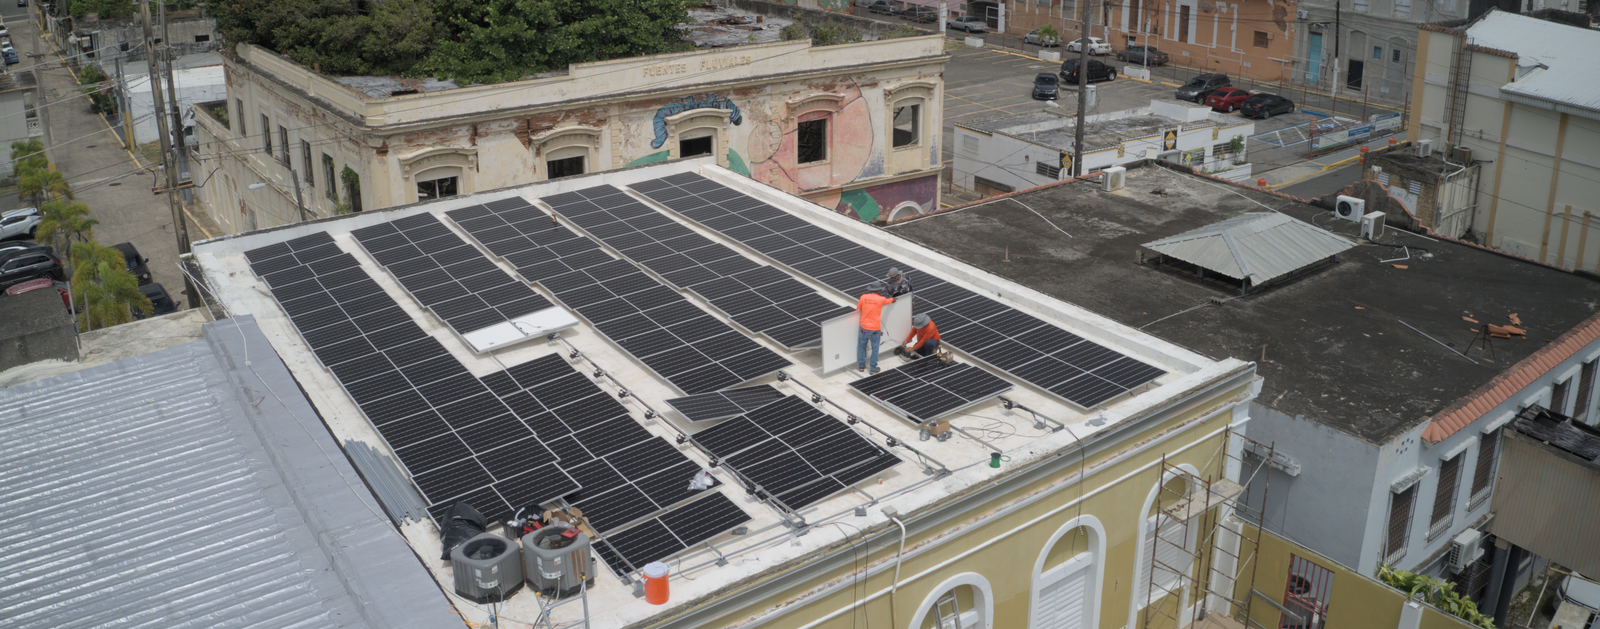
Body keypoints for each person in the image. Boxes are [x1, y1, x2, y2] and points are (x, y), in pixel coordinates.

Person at [855, 281, 895, 373]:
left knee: (861, 347)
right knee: (875, 349)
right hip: (875, 329)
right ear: (878, 291)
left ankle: (861, 366)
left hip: (864, 328)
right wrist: (893, 299)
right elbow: (889, 300)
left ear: (870, 290)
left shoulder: (863, 297)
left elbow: (858, 309)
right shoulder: (881, 299)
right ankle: (872, 368)